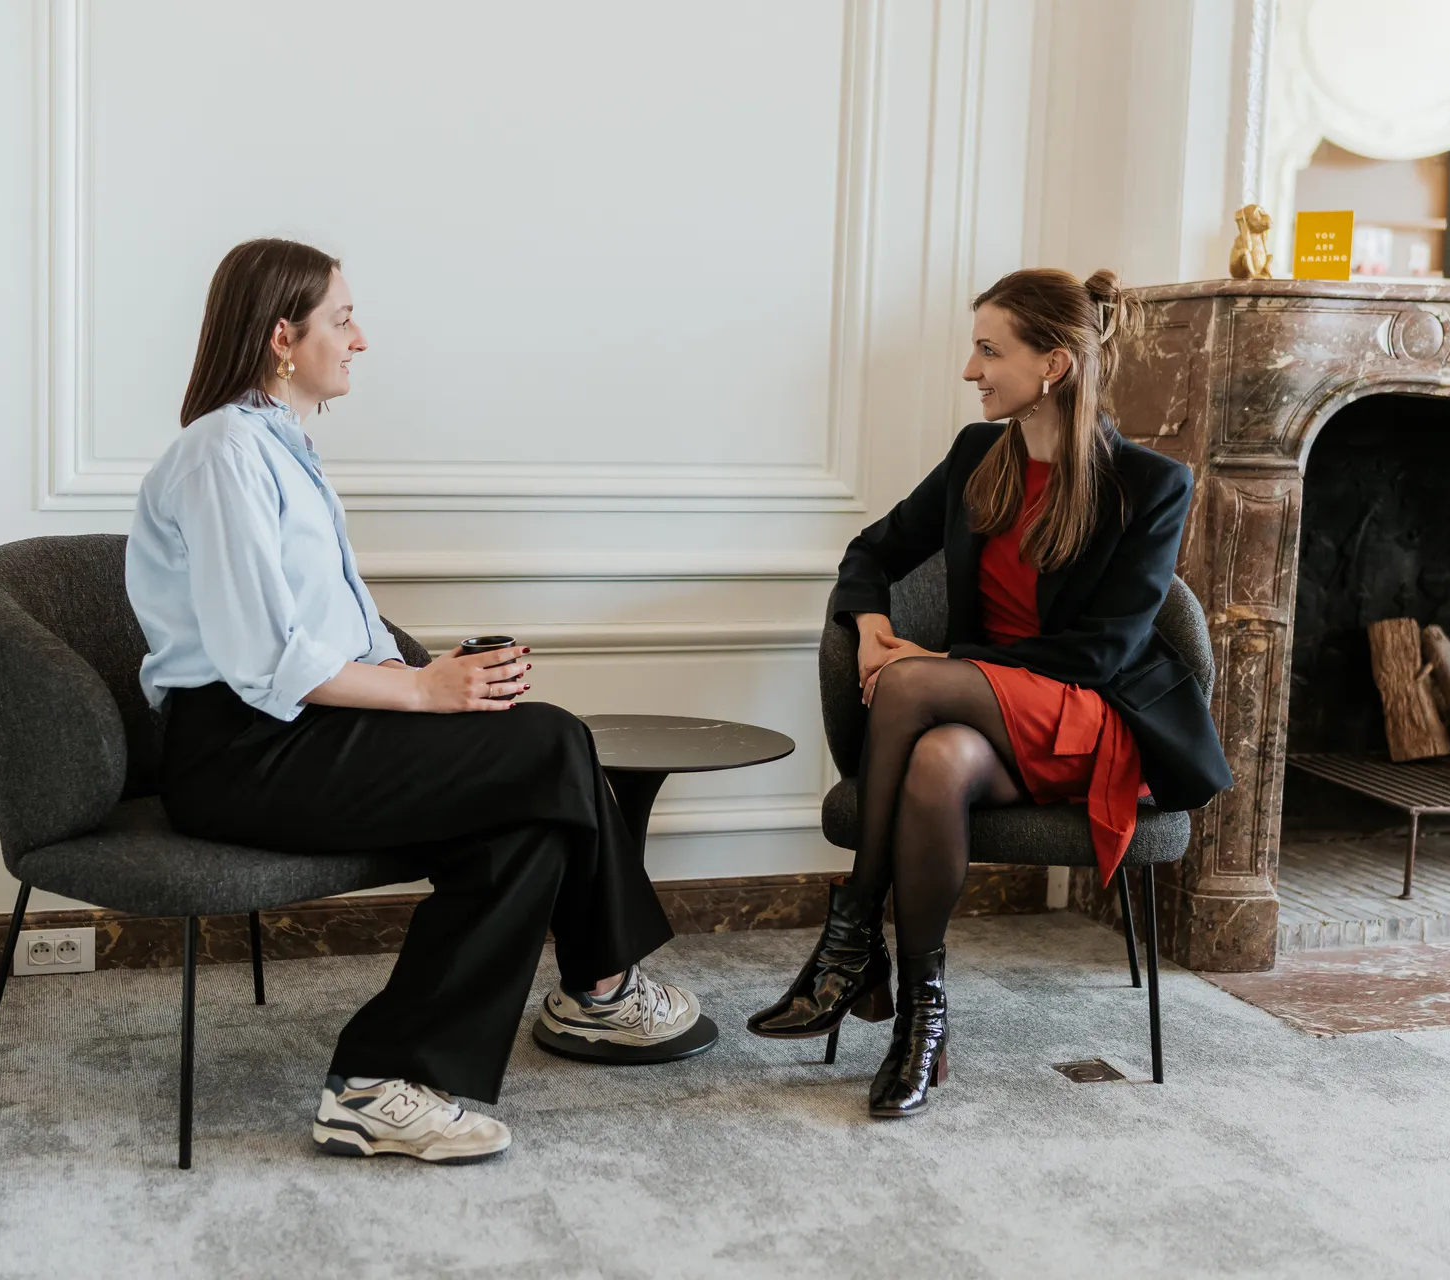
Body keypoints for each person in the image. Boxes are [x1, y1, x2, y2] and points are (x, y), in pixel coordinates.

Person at [126, 238, 703, 1164]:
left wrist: (450, 681)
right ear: (285, 336)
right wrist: (425, 691)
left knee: (528, 820)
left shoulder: (285, 448)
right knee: (552, 743)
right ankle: (599, 986)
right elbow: (265, 660)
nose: (362, 339)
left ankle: (382, 1082)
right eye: (343, 319)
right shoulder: (223, 452)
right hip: (238, 751)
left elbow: (329, 632)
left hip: (310, 729)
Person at [747, 268, 1232, 1118]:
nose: (971, 370)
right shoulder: (981, 457)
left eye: (988, 349)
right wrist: (866, 624)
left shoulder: (1150, 484)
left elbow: (1101, 651)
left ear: (1053, 364)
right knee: (935, 757)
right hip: (980, 715)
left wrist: (940, 661)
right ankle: (923, 1020)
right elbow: (871, 550)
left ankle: (851, 939)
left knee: (908, 686)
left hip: (1088, 712)